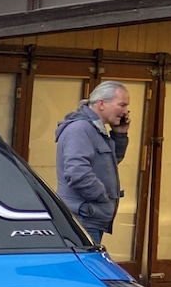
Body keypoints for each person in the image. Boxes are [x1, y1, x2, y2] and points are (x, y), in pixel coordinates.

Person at [55, 80, 131, 245]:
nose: (126, 111)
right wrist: (102, 198)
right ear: (102, 103)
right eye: (122, 105)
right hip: (83, 219)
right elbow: (77, 173)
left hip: (90, 218)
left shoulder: (94, 130)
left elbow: (109, 163)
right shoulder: (81, 129)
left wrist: (120, 135)